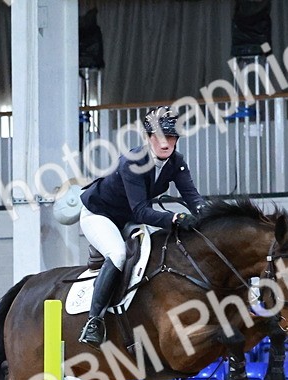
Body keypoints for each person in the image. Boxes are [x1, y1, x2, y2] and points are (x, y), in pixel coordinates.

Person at [77, 106, 207, 346]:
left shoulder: (176, 162)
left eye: (171, 138)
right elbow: (141, 211)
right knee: (117, 254)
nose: (165, 143)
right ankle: (94, 321)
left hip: (129, 218)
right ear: (148, 138)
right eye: (159, 137)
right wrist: (175, 219)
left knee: (155, 253)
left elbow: (192, 196)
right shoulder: (132, 162)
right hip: (100, 214)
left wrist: (208, 217)